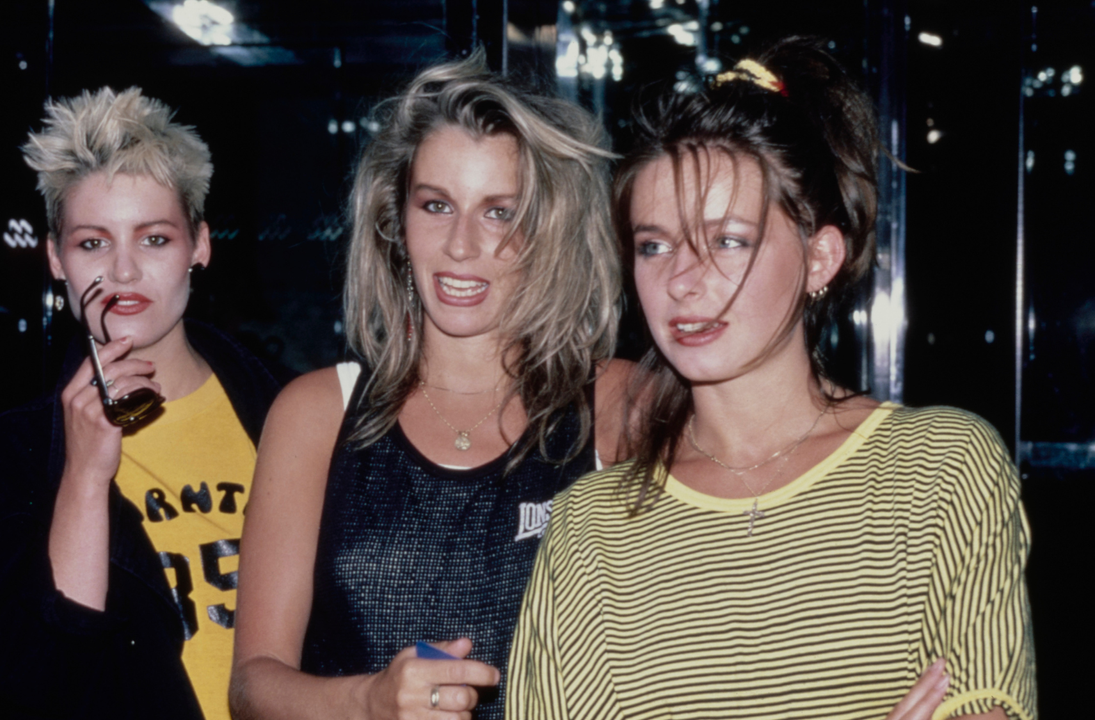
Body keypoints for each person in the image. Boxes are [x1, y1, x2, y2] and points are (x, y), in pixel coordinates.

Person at [507, 37, 1036, 720]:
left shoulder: (940, 472)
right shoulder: (594, 528)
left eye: (728, 239)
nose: (682, 280)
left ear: (820, 258)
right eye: (653, 244)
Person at [229, 53, 629, 720]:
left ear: (546, 229)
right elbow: (251, 686)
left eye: (500, 212)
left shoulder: (616, 405)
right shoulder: (317, 413)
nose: (462, 245)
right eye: (436, 205)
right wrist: (369, 700)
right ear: (396, 220)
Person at [0, 87, 281, 720]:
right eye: (93, 243)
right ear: (56, 258)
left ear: (200, 246)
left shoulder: (288, 413)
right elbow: (53, 672)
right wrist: (82, 475)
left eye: (154, 239)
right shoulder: (3, 459)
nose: (124, 272)